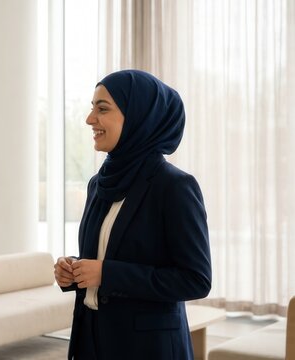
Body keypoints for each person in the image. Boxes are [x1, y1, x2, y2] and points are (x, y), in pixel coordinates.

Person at [54, 70, 212, 360]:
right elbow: (104, 255)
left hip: (147, 349)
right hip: (91, 339)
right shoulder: (98, 183)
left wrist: (106, 273)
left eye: (102, 109)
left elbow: (196, 279)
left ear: (139, 116)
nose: (90, 119)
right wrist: (74, 270)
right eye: (92, 108)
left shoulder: (174, 187)